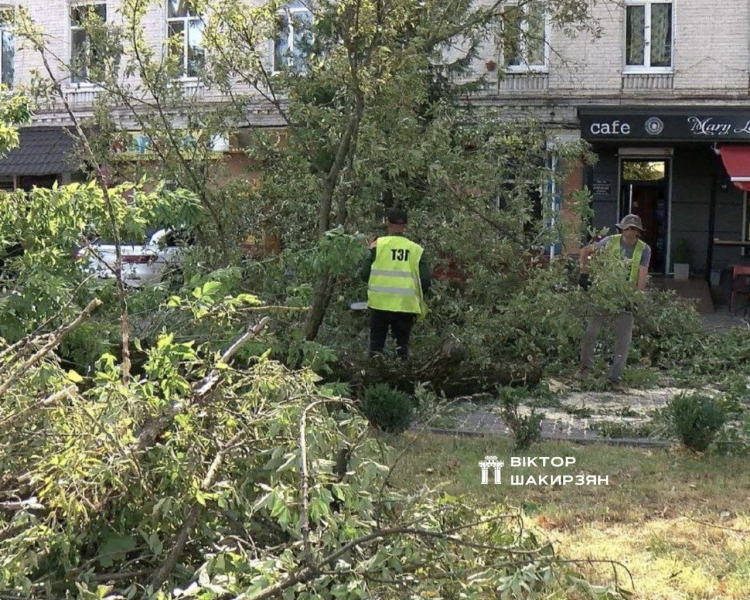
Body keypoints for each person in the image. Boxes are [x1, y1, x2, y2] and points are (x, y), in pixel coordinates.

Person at [578, 213, 651, 388]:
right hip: (605, 292)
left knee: (623, 338)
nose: (628, 232)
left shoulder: (644, 249)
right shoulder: (611, 241)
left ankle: (614, 377)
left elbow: (642, 274)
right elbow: (585, 251)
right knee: (591, 331)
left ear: (637, 232)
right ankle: (585, 368)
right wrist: (584, 273)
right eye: (626, 228)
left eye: (632, 229)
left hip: (626, 295)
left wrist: (637, 297)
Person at [361, 208, 430, 359]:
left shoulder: (377, 245)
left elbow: (364, 274)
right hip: (405, 306)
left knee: (376, 346)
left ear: (388, 224)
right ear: (406, 226)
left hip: (379, 304)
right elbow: (425, 279)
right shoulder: (416, 250)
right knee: (402, 347)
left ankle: (374, 377)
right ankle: (401, 377)